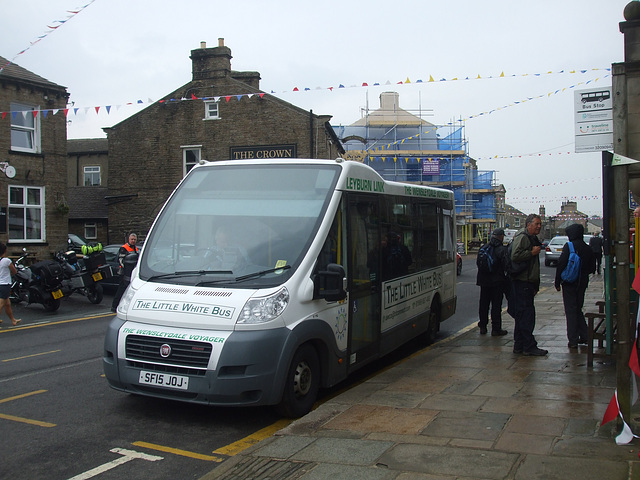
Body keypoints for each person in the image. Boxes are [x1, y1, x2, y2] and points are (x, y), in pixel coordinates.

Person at [509, 214, 547, 356]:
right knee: (526, 316)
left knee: (522, 316)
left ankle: (519, 345)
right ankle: (529, 346)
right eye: (536, 224)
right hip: (522, 282)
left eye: (540, 224)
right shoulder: (523, 237)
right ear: (529, 224)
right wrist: (531, 252)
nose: (539, 226)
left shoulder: (529, 237)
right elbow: (515, 256)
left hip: (527, 282)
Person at [555, 224, 596, 349]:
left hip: (569, 283)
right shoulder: (588, 248)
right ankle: (585, 335)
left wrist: (557, 282)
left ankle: (573, 340)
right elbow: (592, 268)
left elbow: (561, 264)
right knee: (578, 308)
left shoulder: (569, 246)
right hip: (582, 283)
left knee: (571, 311)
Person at [476, 228, 508, 336]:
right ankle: (496, 329)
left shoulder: (484, 248)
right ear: (501, 236)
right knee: (496, 306)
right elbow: (506, 266)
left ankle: (483, 327)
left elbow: (478, 263)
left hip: (483, 281)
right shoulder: (501, 249)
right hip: (497, 282)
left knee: (484, 305)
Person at [111, 232, 139, 313]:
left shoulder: (135, 248)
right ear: (129, 240)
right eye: (132, 239)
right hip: (124, 273)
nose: (133, 241)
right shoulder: (124, 248)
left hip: (132, 272)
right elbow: (121, 260)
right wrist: (125, 269)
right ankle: (114, 306)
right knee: (121, 290)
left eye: (134, 239)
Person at [0, 243, 20, 326]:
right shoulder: (7, 261)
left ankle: (13, 320)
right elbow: (14, 271)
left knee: (7, 304)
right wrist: (10, 274)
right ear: (5, 250)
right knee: (1, 304)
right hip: (5, 284)